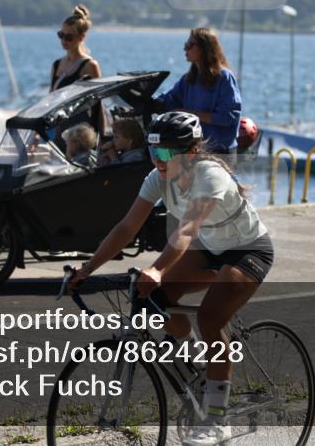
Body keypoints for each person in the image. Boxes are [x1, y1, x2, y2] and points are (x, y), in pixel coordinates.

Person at [69, 112, 273, 446]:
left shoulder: (210, 174)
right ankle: (199, 364)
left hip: (248, 250)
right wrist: (88, 268)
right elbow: (126, 227)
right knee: (156, 299)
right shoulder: (157, 178)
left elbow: (187, 230)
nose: (158, 160)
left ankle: (218, 420)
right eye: (153, 152)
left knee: (210, 317)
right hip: (209, 249)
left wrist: (158, 269)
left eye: (165, 153)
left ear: (190, 153)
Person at [154, 27, 241, 154]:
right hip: (196, 150)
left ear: (205, 48)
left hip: (220, 152)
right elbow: (168, 100)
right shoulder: (188, 79)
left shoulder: (224, 77)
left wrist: (190, 114)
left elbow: (228, 117)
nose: (185, 49)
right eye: (185, 45)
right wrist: (146, 103)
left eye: (190, 45)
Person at [50, 5, 101, 91]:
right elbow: (50, 98)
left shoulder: (90, 65)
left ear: (82, 37)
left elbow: (98, 100)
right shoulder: (56, 65)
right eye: (61, 35)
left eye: (69, 37)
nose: (63, 40)